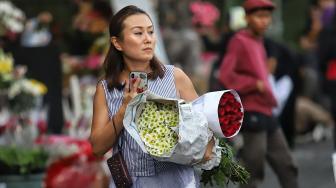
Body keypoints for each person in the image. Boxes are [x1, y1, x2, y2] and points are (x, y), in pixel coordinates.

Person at [89, 5, 214, 188]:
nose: (148, 39)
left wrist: (202, 147)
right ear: (117, 43)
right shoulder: (106, 88)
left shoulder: (174, 77)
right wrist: (124, 109)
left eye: (151, 32)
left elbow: (205, 129)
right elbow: (98, 147)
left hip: (175, 178)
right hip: (132, 180)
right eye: (138, 33)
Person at [217, 0, 298, 187]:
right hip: (252, 112)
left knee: (288, 166)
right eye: (259, 16)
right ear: (247, 18)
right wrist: (256, 84)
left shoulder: (258, 41)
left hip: (267, 111)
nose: (264, 21)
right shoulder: (239, 41)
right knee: (253, 172)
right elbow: (225, 75)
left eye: (267, 16)